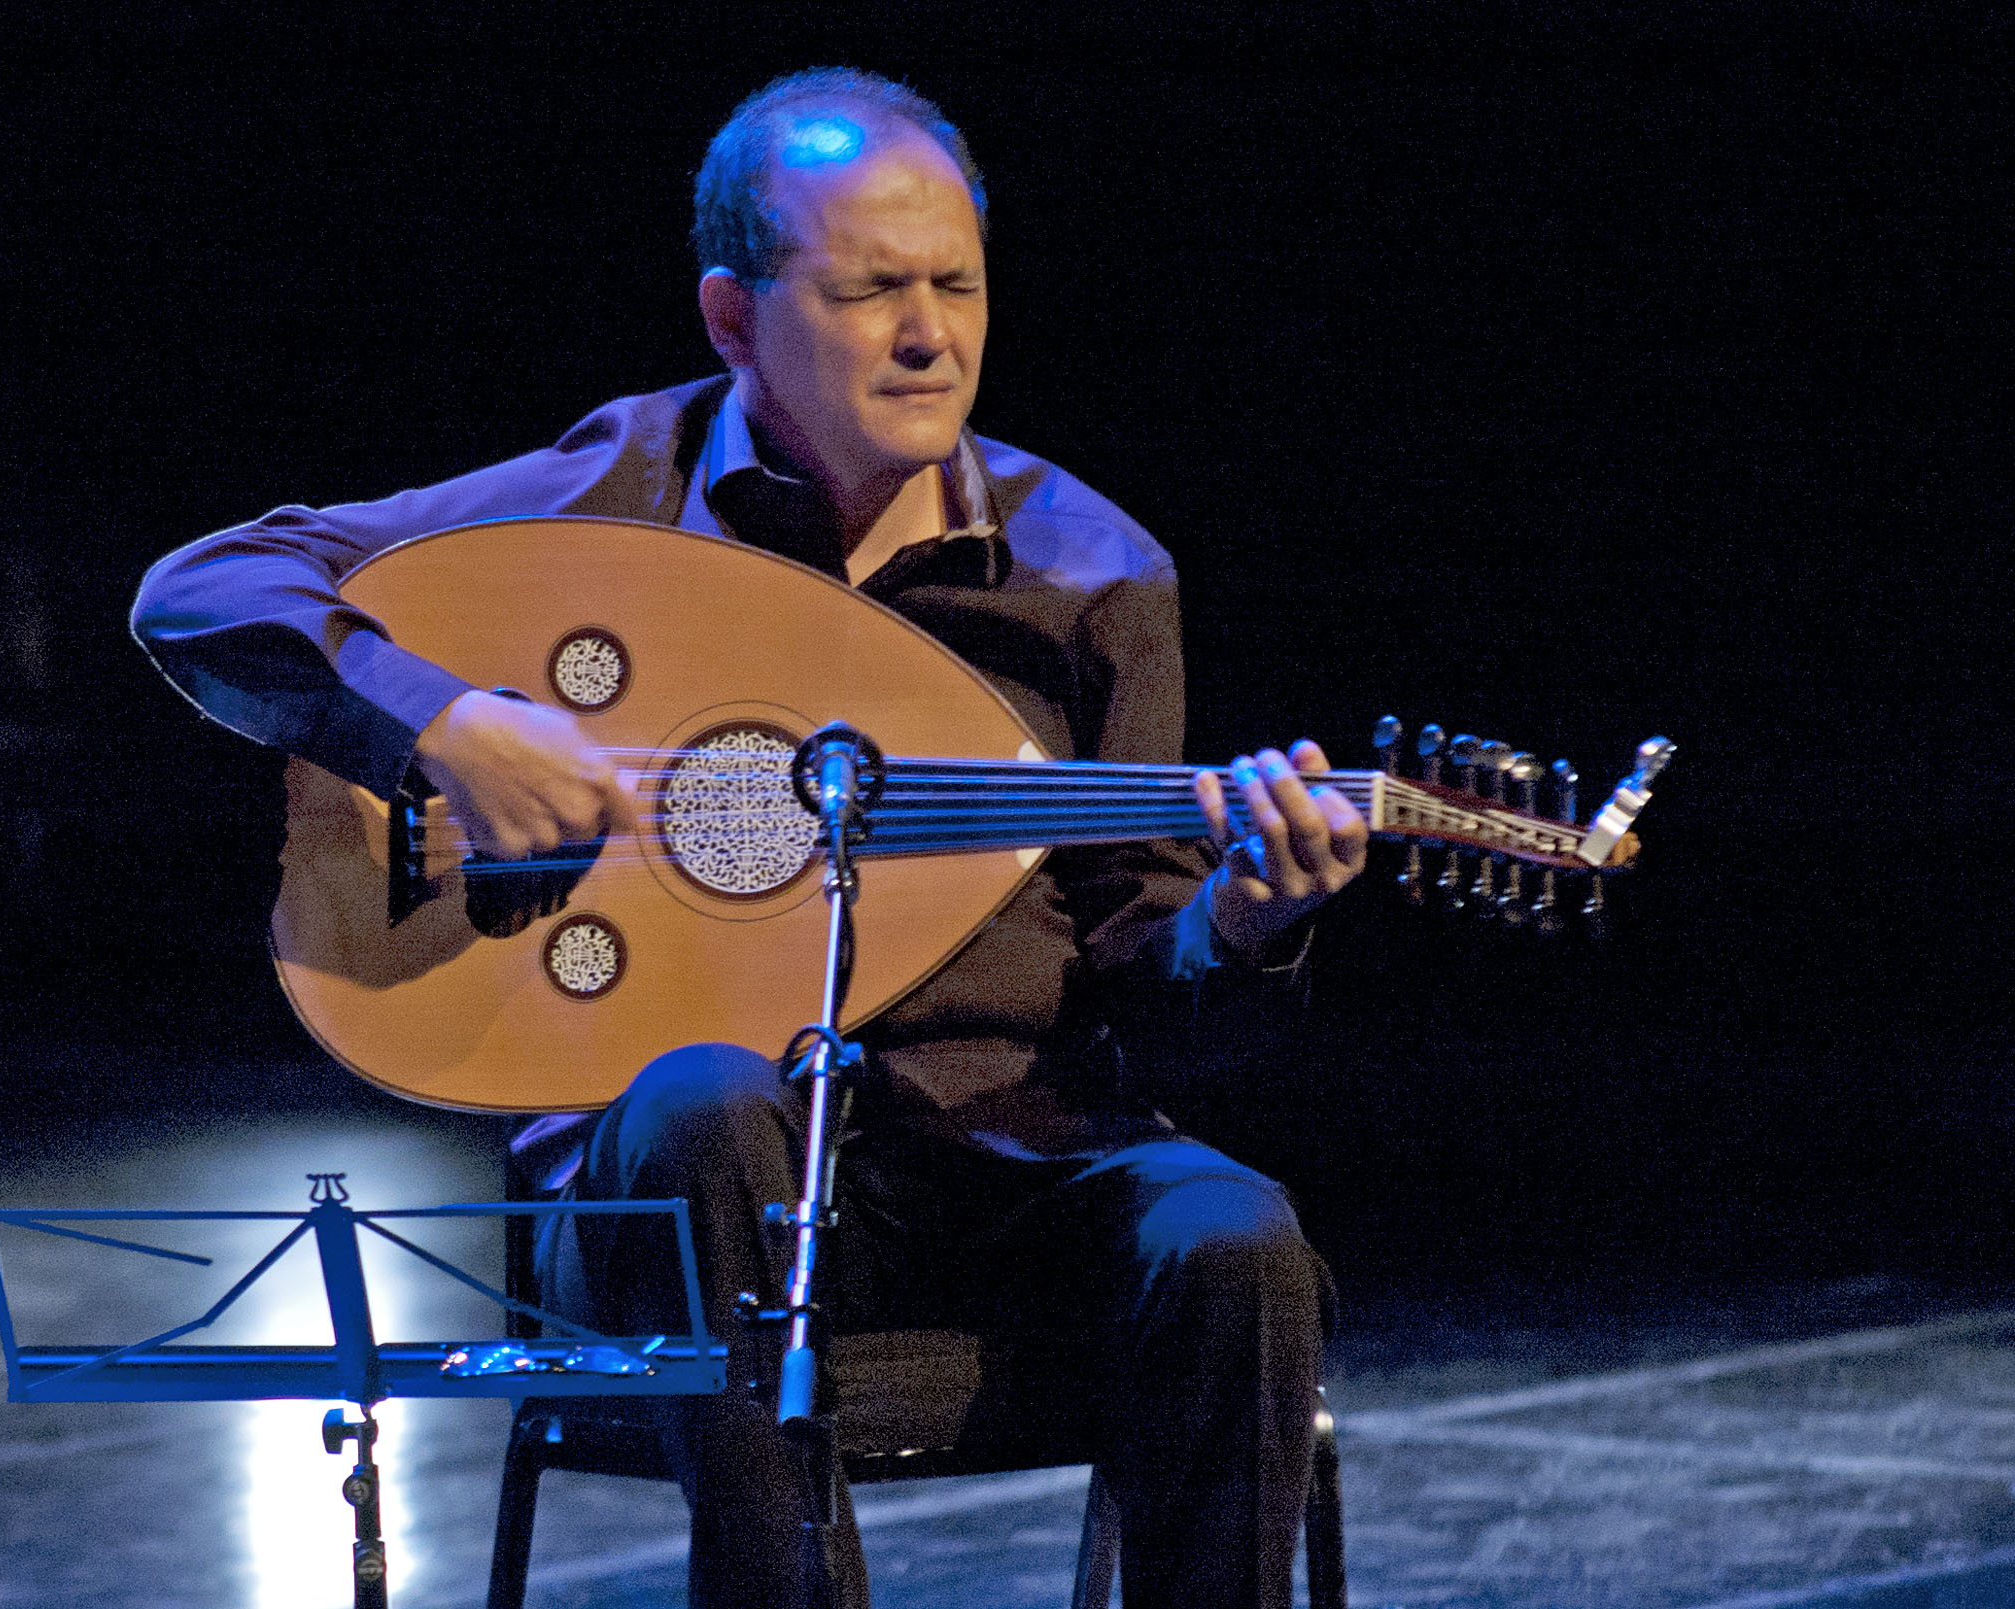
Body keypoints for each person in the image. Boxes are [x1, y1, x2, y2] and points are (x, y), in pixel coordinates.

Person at [133, 68, 1366, 1609]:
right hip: (680, 1205)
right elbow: (200, 590)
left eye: (957, 283)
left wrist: (1245, 924)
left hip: (997, 1170)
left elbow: (1157, 1001)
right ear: (733, 319)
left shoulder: (1094, 575)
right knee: (706, 1098)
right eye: (870, 290)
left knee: (1229, 1231)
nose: (931, 334)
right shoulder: (618, 497)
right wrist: (444, 722)